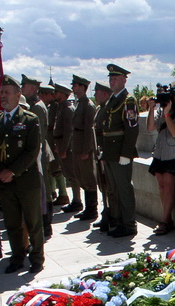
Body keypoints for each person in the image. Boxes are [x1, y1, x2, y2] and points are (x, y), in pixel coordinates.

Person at [0, 75, 44, 274]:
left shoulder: (29, 119)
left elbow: (32, 151)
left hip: (26, 180)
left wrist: (12, 171)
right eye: (1, 92)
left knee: (33, 222)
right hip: (5, 183)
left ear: (18, 95)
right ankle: (17, 256)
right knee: (12, 223)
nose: (3, 96)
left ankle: (37, 257)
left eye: (7, 92)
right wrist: (0, 172)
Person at [146, 80, 175, 235]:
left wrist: (167, 113)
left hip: (174, 153)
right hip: (160, 152)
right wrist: (152, 109)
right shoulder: (166, 107)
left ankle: (165, 221)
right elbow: (150, 127)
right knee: (161, 186)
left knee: (169, 184)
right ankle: (167, 218)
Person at [99, 63, 139, 238]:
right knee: (113, 189)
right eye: (111, 79)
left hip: (120, 151)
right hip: (110, 151)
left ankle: (129, 224)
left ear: (124, 80)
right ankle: (118, 220)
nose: (112, 82)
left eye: (115, 78)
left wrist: (126, 153)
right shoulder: (112, 99)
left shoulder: (128, 100)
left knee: (124, 189)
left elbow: (132, 128)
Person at [21, 74, 53, 238]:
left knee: (43, 187)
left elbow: (39, 135)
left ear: (32, 88)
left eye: (24, 86)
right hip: (34, 152)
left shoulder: (37, 107)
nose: (21, 88)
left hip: (38, 152)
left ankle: (46, 222)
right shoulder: (31, 105)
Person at [70, 75, 98, 221]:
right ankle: (88, 208)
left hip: (84, 148)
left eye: (75, 85)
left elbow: (89, 130)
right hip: (78, 145)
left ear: (82, 87)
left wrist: (86, 150)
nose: (73, 88)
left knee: (88, 178)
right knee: (81, 176)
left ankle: (92, 209)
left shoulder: (88, 105)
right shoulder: (79, 103)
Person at [53, 83, 81, 213]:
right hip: (61, 145)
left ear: (63, 94)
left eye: (56, 92)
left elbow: (69, 132)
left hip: (68, 148)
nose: (54, 95)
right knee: (67, 173)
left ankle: (77, 200)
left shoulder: (68, 109)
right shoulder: (61, 107)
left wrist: (64, 149)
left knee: (72, 174)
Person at [92, 81, 113, 232]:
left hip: (106, 152)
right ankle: (106, 213)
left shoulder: (108, 109)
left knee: (108, 186)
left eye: (97, 91)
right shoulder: (100, 109)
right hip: (99, 152)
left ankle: (110, 215)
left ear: (104, 93)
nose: (94, 94)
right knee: (102, 185)